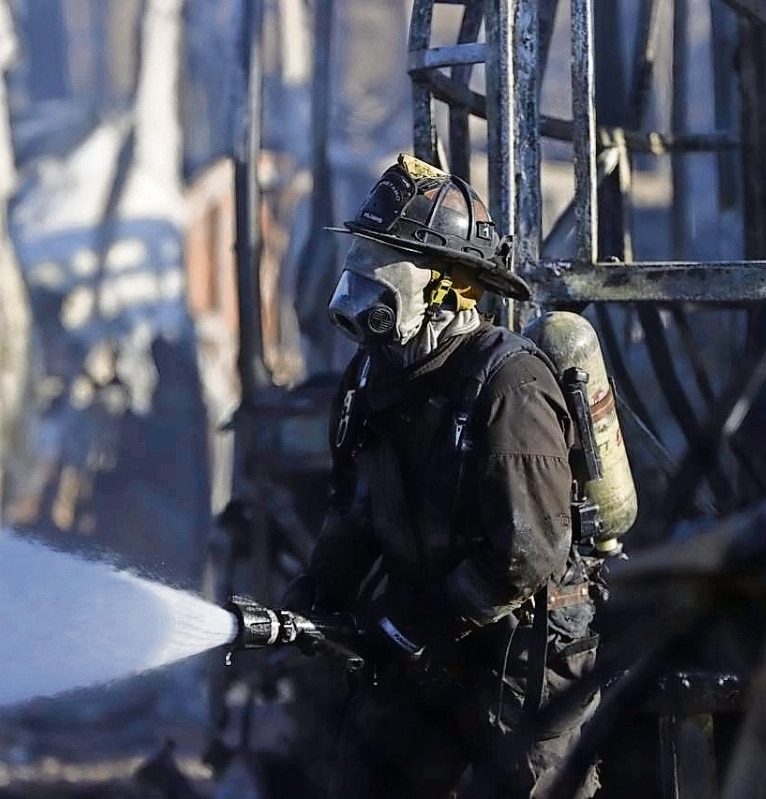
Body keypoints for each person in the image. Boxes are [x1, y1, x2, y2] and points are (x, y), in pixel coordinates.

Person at [285, 154, 602, 799]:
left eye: (383, 274)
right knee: (367, 778)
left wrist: (413, 624)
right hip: (428, 637)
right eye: (360, 270)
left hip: (522, 649)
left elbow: (530, 551)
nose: (362, 295)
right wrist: (318, 593)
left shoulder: (510, 385)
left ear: (440, 287)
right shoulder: (373, 379)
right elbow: (353, 510)